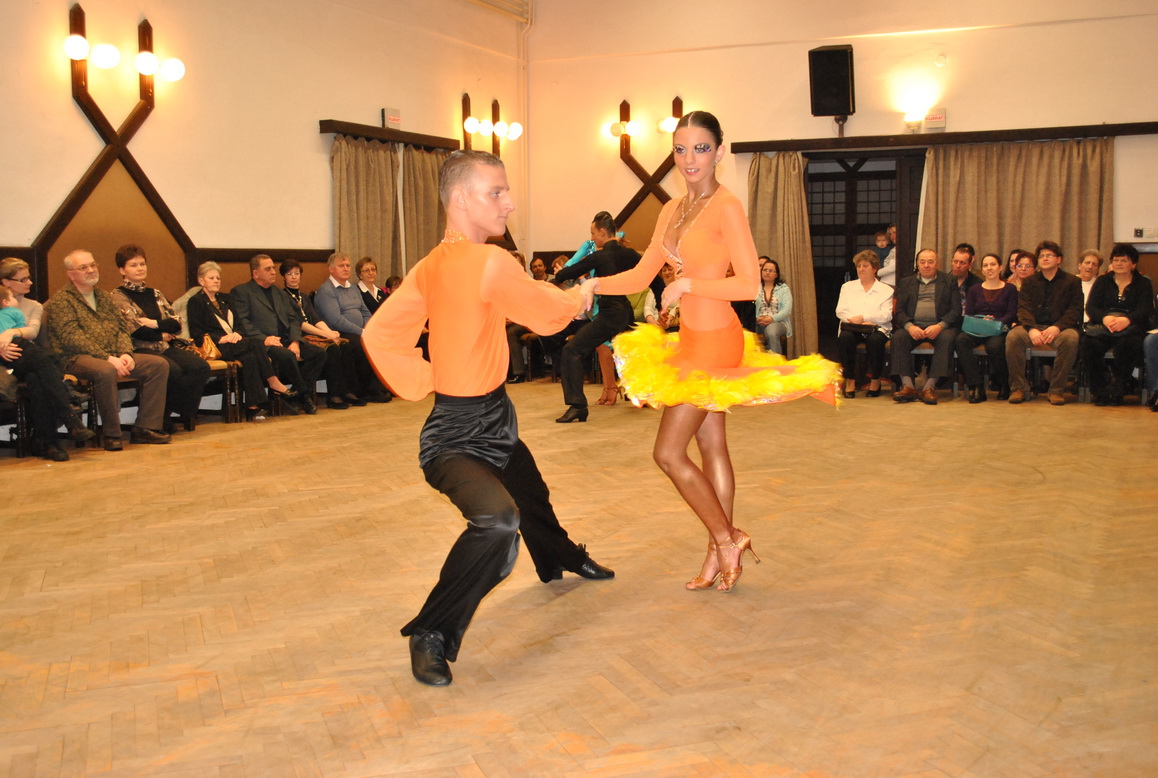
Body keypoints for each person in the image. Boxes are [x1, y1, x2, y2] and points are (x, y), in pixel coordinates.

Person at [361, 149, 614, 688]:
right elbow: (545, 311)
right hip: (455, 434)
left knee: (532, 495)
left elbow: (379, 334)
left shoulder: (431, 264)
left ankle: (561, 558)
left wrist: (427, 377)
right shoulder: (490, 261)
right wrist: (580, 296)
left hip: (493, 415)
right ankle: (431, 632)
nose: (509, 202)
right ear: (460, 198)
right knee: (499, 521)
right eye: (496, 192)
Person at [580, 111, 838, 594]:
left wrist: (689, 285)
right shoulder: (672, 209)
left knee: (667, 452)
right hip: (690, 340)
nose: (690, 159)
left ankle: (727, 538)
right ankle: (717, 551)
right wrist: (594, 283)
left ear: (719, 151)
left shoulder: (728, 207)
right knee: (711, 445)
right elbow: (640, 275)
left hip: (717, 339)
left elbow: (747, 284)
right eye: (681, 149)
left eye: (701, 148)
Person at [43, 250, 171, 450]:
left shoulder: (104, 296)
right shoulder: (62, 301)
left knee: (158, 365)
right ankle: (112, 434)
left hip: (113, 354)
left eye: (93, 265)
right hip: (75, 358)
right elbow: (72, 338)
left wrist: (126, 353)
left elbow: (121, 328)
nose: (90, 270)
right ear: (71, 274)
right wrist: (108, 358)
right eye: (83, 267)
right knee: (105, 370)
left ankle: (145, 428)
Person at [109, 244, 211, 432]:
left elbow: (176, 324)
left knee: (200, 367)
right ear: (122, 270)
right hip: (139, 349)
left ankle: (170, 412)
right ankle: (160, 418)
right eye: (133, 265)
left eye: (142, 264)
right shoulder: (118, 296)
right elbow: (135, 330)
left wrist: (154, 323)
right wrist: (162, 332)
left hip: (163, 347)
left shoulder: (155, 293)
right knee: (173, 370)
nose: (140, 268)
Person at [551, 211, 640, 422]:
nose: (591, 238)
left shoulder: (600, 256)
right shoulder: (630, 255)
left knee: (571, 350)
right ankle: (641, 392)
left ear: (602, 232)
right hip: (625, 311)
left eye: (593, 233)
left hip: (610, 314)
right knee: (634, 350)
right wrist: (661, 302)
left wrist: (559, 273)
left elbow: (568, 272)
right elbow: (651, 276)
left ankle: (577, 406)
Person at [186, 261, 295, 421]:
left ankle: (252, 407)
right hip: (216, 346)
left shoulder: (226, 299)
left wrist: (237, 333)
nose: (216, 281)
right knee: (255, 343)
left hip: (237, 344)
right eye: (211, 278)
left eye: (218, 278)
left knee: (250, 357)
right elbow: (196, 332)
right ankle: (272, 380)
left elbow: (239, 324)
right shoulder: (195, 302)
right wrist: (222, 338)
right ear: (201, 281)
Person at [0, 286, 95, 459]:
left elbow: (30, 332)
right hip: (4, 364)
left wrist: (11, 333)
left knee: (36, 378)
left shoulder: (18, 309)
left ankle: (47, 442)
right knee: (43, 359)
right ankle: (69, 418)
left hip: (17, 357)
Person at [230, 254, 326, 414]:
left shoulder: (279, 293)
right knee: (287, 356)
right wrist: (264, 339)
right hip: (263, 343)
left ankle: (293, 394)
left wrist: (295, 341)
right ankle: (304, 396)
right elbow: (243, 322)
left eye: (273, 268)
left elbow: (293, 320)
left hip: (286, 340)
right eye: (268, 269)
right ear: (256, 273)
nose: (273, 272)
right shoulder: (242, 292)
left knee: (319, 353)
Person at [281, 258, 369, 409]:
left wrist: (330, 333)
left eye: (297, 273)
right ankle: (333, 395)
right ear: (284, 277)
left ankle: (346, 391)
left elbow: (316, 319)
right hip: (298, 336)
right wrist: (326, 335)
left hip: (314, 334)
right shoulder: (283, 297)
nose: (294, 277)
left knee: (343, 345)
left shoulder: (304, 297)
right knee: (332, 350)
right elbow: (300, 324)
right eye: (290, 274)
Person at [1005, 241, 1083, 405]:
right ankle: (1019, 388)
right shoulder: (1029, 281)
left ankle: (1056, 390)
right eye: (1041, 256)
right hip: (1033, 326)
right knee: (1013, 336)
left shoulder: (1072, 281)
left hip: (1060, 328)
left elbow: (1075, 309)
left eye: (1049, 255)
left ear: (1059, 259)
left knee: (1071, 339)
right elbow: (1023, 308)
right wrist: (1031, 328)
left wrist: (1057, 327)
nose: (1045, 259)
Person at [1081, 243, 1154, 405]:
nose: (1118, 264)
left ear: (1133, 264)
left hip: (1131, 328)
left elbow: (1145, 309)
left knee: (1128, 346)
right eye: (1115, 260)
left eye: (1124, 260)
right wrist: (1104, 318)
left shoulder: (1143, 283)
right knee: (1089, 344)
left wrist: (1127, 320)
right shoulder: (1102, 281)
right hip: (1104, 327)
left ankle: (1118, 389)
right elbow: (1091, 307)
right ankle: (1099, 391)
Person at [314, 251, 392, 403]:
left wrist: (369, 329)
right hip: (338, 332)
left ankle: (377, 387)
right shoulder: (326, 290)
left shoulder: (353, 288)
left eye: (348, 265)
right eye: (341, 266)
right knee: (358, 344)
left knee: (375, 341)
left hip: (358, 331)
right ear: (331, 269)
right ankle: (361, 390)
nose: (346, 269)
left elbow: (365, 311)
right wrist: (361, 331)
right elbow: (335, 320)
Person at [890, 248, 961, 404]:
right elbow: (899, 312)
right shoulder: (906, 282)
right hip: (914, 327)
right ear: (917, 264)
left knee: (947, 338)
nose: (926, 265)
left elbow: (956, 310)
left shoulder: (949, 281)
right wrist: (909, 326)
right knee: (898, 337)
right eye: (922, 262)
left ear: (937, 264)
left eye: (930, 261)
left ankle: (929, 387)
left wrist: (940, 326)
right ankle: (908, 387)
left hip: (939, 328)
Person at [955, 253, 1018, 403]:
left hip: (999, 329)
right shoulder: (974, 289)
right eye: (985, 265)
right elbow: (969, 313)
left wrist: (996, 322)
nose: (989, 268)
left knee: (994, 346)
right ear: (982, 270)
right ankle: (977, 386)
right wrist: (982, 320)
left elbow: (1012, 313)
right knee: (961, 340)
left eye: (993, 264)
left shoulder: (1010, 289)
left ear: (1000, 268)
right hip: (977, 328)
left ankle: (1004, 383)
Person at [835, 250, 893, 398]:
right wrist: (856, 320)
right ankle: (850, 380)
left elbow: (886, 315)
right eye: (858, 266)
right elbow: (840, 311)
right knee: (845, 338)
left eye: (865, 266)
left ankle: (875, 380)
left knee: (875, 340)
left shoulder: (885, 290)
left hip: (876, 328)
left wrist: (864, 317)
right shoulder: (847, 287)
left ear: (874, 269)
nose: (861, 269)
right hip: (852, 327)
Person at [755, 257, 792, 354]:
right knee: (744, 332)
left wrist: (772, 318)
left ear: (776, 274)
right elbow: (748, 308)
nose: (767, 273)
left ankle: (776, 361)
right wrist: (757, 318)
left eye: (771, 271)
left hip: (778, 322)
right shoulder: (755, 288)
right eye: (765, 270)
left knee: (771, 331)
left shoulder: (783, 289)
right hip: (758, 322)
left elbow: (787, 310)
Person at [949, 243, 982, 315]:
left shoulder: (977, 284)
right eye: (955, 262)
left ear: (970, 265)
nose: (958, 266)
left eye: (962, 263)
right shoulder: (943, 281)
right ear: (951, 262)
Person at [1077, 249, 1103, 322]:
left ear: (1097, 270)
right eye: (1087, 263)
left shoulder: (1100, 285)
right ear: (1079, 266)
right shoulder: (1070, 283)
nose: (1090, 266)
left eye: (1094, 264)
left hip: (1092, 324)